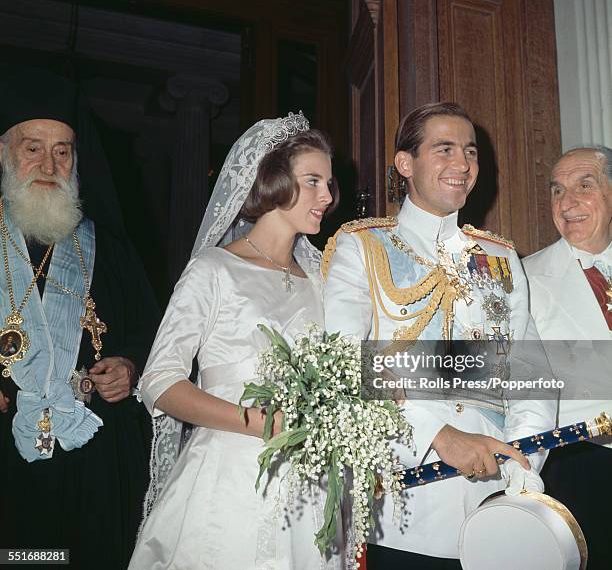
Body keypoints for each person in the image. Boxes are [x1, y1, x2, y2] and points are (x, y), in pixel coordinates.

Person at [323, 102, 555, 569]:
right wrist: (438, 435)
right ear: (405, 164)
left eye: (470, 152)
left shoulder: (500, 257)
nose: (463, 164)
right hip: (406, 507)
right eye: (444, 149)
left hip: (498, 506)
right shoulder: (363, 247)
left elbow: (531, 371)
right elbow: (345, 358)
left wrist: (523, 461)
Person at [129, 112, 344, 570]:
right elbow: (160, 381)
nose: (327, 196)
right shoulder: (214, 269)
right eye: (313, 181)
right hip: (227, 480)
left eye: (329, 183)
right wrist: (257, 422)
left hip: (307, 488)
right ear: (272, 181)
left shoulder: (323, 281)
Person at [0, 65, 160, 570]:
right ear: (5, 154)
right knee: (24, 560)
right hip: (6, 457)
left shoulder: (108, 246)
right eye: (32, 148)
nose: (48, 163)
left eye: (62, 151)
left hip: (95, 451)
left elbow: (151, 328)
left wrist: (131, 367)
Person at [522, 145, 612, 569]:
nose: (567, 202)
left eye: (584, 186)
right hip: (581, 466)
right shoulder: (523, 277)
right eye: (558, 190)